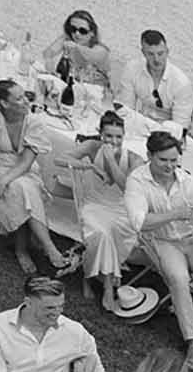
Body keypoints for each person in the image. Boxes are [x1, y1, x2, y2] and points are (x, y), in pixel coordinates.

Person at [123, 132, 193, 370]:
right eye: (163, 160)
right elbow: (140, 222)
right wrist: (176, 214)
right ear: (149, 156)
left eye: (173, 160)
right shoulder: (137, 181)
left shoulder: (188, 182)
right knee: (179, 280)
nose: (169, 166)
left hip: (191, 240)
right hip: (163, 240)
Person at [0, 79, 77, 276]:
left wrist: (4, 180)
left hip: (22, 170)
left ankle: (28, 249)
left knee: (21, 188)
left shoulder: (34, 122)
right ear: (4, 103)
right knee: (22, 189)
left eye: (25, 96)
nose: (27, 101)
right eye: (20, 98)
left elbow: (26, 163)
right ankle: (47, 250)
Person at [56, 109, 151, 320]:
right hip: (94, 205)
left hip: (120, 210)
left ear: (124, 136)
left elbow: (128, 189)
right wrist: (89, 165)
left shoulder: (134, 159)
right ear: (101, 133)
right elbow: (60, 160)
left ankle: (90, 276)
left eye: (118, 136)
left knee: (115, 231)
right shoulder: (92, 147)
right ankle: (108, 287)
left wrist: (111, 160)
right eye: (109, 136)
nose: (113, 140)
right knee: (102, 234)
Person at [114, 29, 193, 125]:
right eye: (150, 54)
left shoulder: (181, 83)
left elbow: (180, 125)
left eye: (160, 53)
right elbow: (125, 109)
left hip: (168, 132)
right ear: (143, 53)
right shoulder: (132, 69)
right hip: (141, 125)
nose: (156, 59)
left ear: (167, 51)